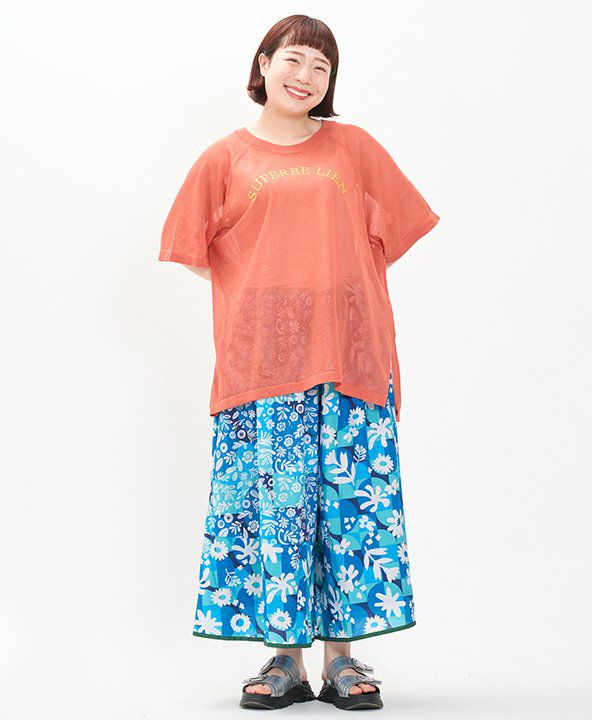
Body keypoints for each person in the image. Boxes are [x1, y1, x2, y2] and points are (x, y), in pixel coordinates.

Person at [158, 14, 440, 712]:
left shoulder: (353, 148)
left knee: (347, 508)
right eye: (293, 58)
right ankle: (284, 659)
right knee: (278, 509)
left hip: (349, 358)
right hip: (264, 367)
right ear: (263, 63)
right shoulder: (225, 158)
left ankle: (342, 661)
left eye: (321, 66)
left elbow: (395, 229)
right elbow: (192, 249)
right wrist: (261, 298)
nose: (305, 75)